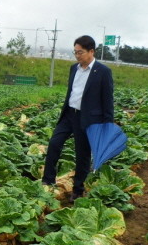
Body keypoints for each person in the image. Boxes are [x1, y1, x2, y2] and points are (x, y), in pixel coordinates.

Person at [42, 35, 114, 201]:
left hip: (88, 119)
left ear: (91, 51)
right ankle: (47, 181)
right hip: (69, 114)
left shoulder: (103, 72)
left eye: (80, 52)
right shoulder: (74, 69)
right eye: (75, 52)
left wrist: (107, 126)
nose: (77, 56)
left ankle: (78, 189)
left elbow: (108, 101)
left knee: (82, 154)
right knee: (54, 143)